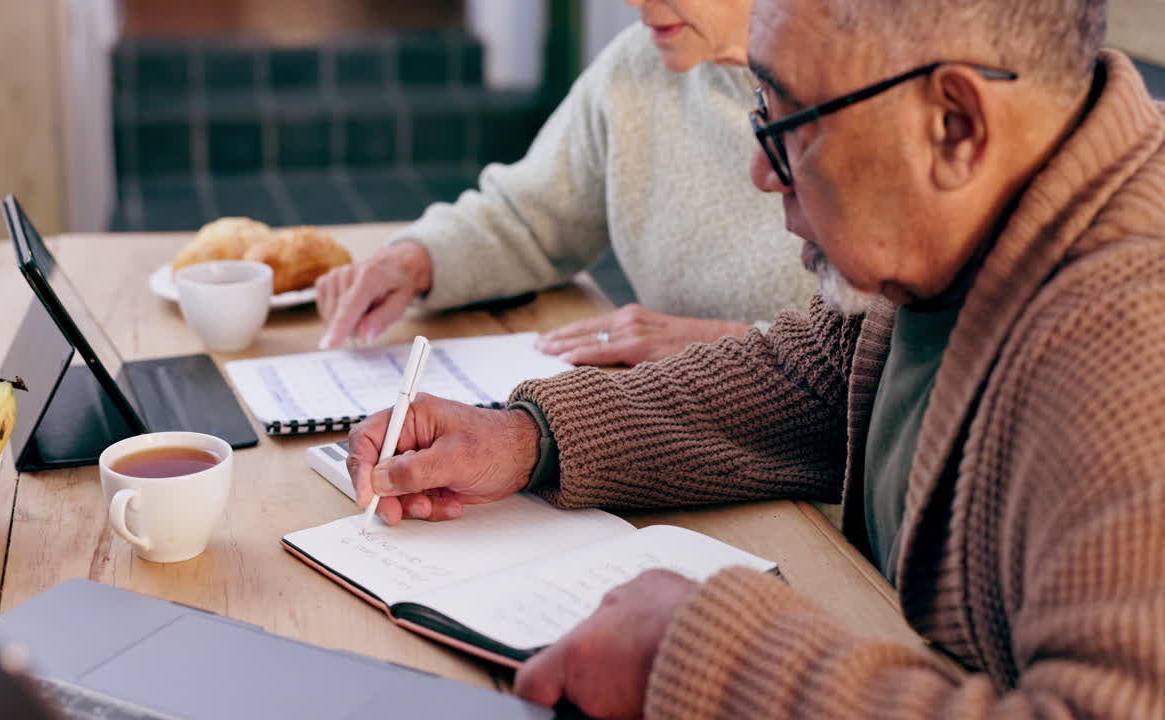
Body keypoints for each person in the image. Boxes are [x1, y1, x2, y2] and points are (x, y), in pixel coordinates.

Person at [343, 0, 1165, 716]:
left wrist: (706, 656)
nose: (760, 171)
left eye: (790, 121)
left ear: (954, 125)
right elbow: (813, 374)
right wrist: (525, 437)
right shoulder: (954, 239)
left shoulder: (1133, 351)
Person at [314, 0, 816, 367]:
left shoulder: (865, 104)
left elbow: (886, 357)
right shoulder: (639, 64)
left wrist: (726, 345)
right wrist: (416, 261)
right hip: (679, 427)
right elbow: (529, 217)